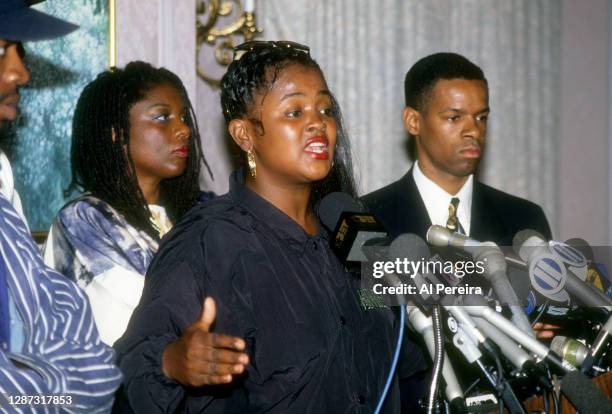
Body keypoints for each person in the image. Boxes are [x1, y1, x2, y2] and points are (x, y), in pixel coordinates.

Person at [114, 40, 417, 413]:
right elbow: (129, 369)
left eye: (325, 108)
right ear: (245, 135)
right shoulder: (211, 242)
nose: (317, 123)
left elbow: (397, 335)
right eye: (294, 112)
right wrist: (172, 363)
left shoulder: (349, 230)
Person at [362, 52, 553, 412]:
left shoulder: (524, 219)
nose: (473, 131)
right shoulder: (368, 219)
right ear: (413, 121)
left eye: (481, 118)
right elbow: (367, 323)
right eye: (454, 117)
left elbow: (541, 325)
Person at [0, 1, 121, 411]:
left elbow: (59, 314)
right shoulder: (85, 220)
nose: (20, 72)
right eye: (2, 50)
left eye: (19, 51)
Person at [43, 61, 214, 346]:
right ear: (115, 132)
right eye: (162, 117)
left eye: (183, 117)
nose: (183, 129)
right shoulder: (84, 221)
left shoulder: (201, 215)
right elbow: (134, 325)